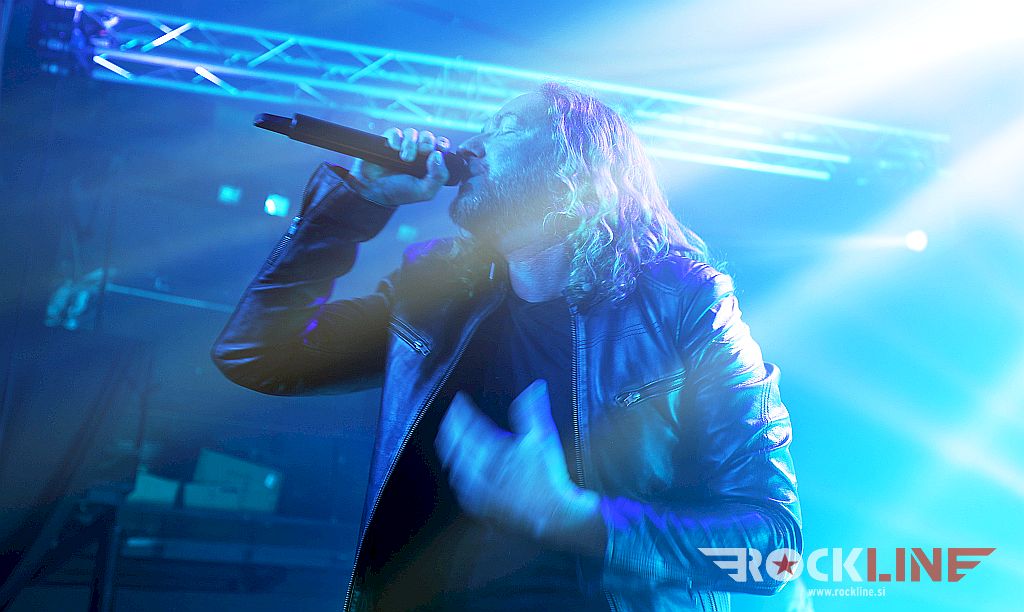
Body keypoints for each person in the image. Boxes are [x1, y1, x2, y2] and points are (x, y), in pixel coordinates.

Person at [212, 82, 802, 611]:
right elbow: (258, 355)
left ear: (578, 170)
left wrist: (577, 519)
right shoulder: (435, 294)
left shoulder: (685, 304)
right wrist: (357, 204)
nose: (469, 146)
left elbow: (775, 551)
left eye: (506, 128)